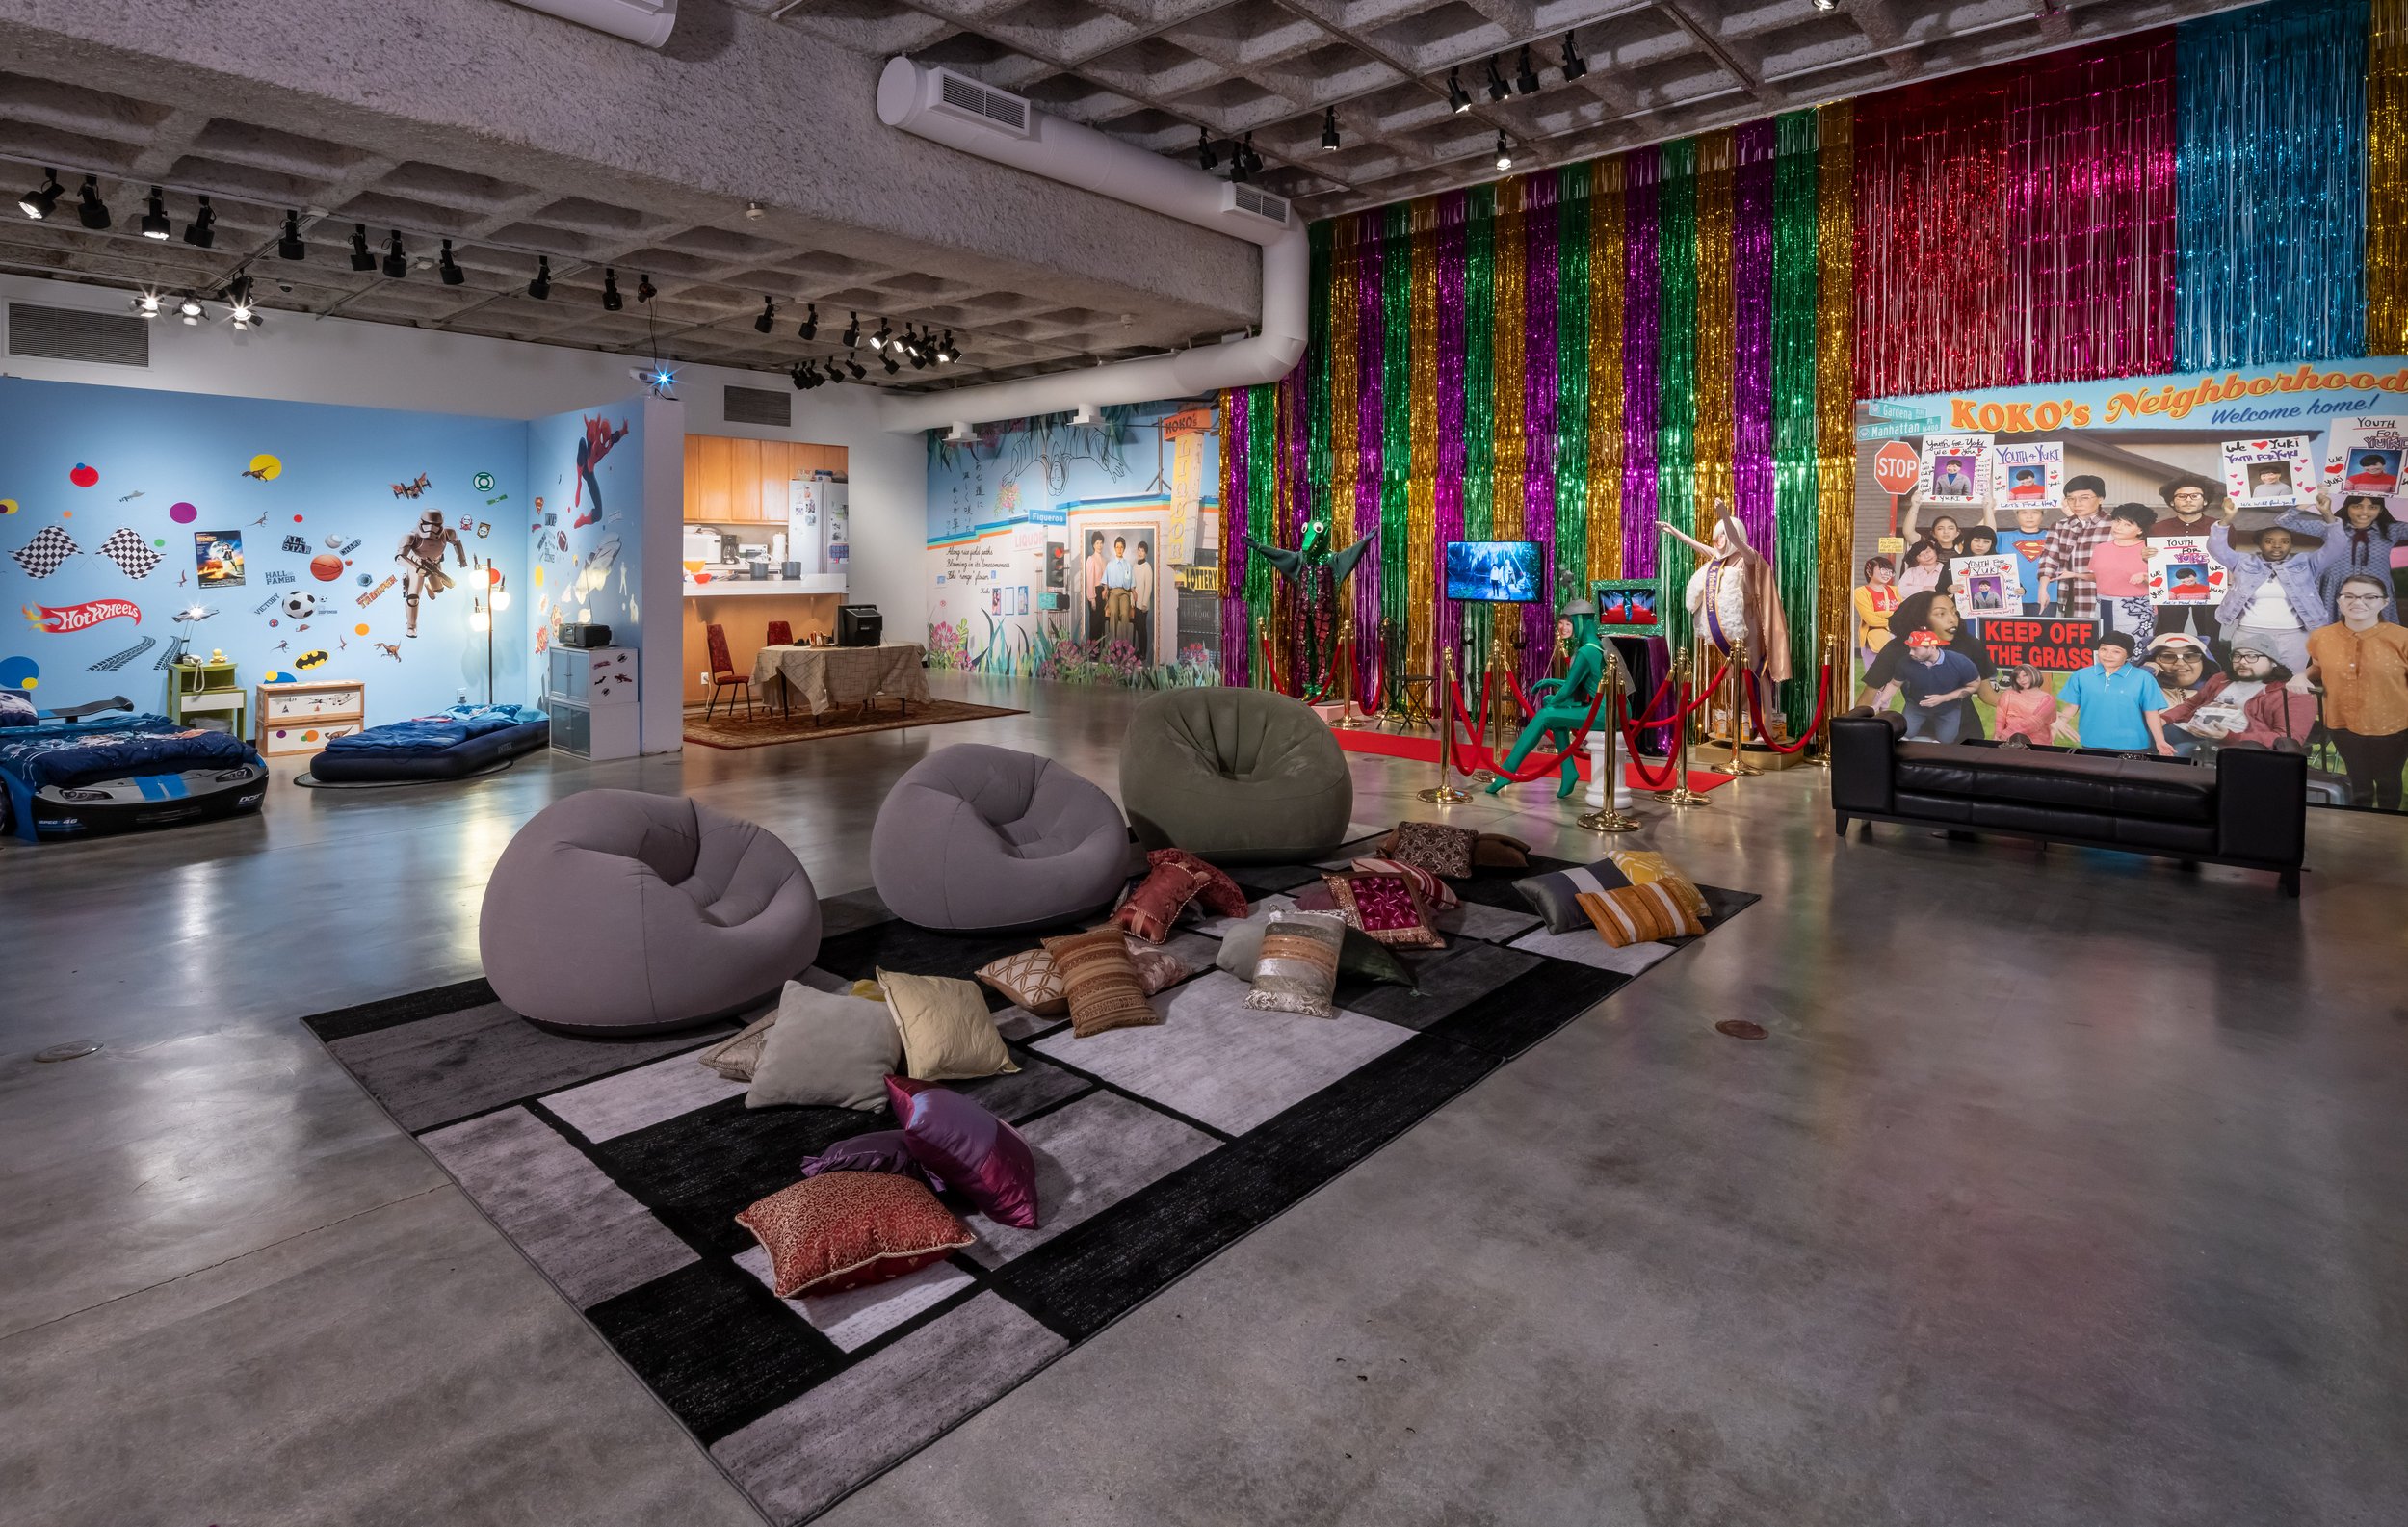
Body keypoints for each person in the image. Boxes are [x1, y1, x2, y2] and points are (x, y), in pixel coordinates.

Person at [1485, 599, 1615, 798]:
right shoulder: (1596, 645)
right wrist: (1550, 682)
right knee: (1550, 706)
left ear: (1581, 621)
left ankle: (1507, 771)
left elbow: (1568, 690)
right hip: (1611, 708)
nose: (1564, 627)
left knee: (1546, 714)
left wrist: (1550, 707)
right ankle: (1568, 771)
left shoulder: (1585, 651)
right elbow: (1582, 682)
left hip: (1605, 712)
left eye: (1569, 622)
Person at [2306, 572, 2408, 809]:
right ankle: (2359, 823)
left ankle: (2387, 824)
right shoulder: (2321, 637)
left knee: (2388, 781)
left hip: (2392, 727)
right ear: (2339, 601)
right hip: (2341, 722)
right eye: (2349, 596)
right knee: (2357, 781)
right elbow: (2319, 667)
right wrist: (2302, 675)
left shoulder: (2402, 638)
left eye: (2369, 597)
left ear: (2385, 602)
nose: (2357, 602)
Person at [2209, 499, 2327, 676]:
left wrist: (2327, 514)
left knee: (2291, 684)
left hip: (2293, 637)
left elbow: (2336, 547)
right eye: (2269, 541)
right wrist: (2227, 518)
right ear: (2260, 544)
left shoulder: (2305, 564)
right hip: (2249, 633)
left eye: (2284, 541)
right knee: (2249, 682)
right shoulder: (2243, 562)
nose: (2277, 546)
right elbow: (2216, 549)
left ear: (2291, 544)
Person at [1861, 589, 1996, 739]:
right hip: (1917, 732)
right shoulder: (1896, 650)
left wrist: (2016, 702)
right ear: (1920, 619)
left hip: (1965, 734)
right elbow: (1868, 698)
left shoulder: (1968, 645)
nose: (1953, 619)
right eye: (1941, 614)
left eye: (1954, 612)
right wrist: (1857, 731)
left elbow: (1987, 694)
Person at [2160, 638, 2316, 755]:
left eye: (2252, 656)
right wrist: (2164, 718)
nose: (2242, 662)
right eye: (2237, 656)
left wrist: (2230, 737)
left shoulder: (2291, 694)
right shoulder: (2221, 679)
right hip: (2190, 729)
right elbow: (2191, 704)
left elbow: (2287, 740)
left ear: (2273, 662)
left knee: (2179, 752)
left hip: (2236, 746)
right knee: (2149, 733)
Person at [2293, 491, 2408, 622]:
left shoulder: (2393, 530)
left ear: (2381, 510)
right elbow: (2283, 521)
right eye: (2357, 506)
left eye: (2373, 507)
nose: (2364, 511)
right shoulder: (2330, 527)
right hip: (2335, 591)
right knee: (2334, 632)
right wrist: (2311, 498)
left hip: (2375, 592)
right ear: (2347, 507)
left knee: (2376, 633)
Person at [2053, 631, 2173, 755]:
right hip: (2091, 742)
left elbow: (2151, 712)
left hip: (2133, 744)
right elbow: (2072, 706)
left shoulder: (2143, 678)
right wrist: (2055, 728)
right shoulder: (2081, 675)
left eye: (2116, 651)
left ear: (2127, 655)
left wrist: (2160, 741)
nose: (2108, 655)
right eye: (2103, 649)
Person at [2035, 473, 2110, 619]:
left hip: (2104, 599)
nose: (2077, 503)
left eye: (2084, 498)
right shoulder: (2060, 526)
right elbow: (2048, 561)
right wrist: (2043, 589)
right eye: (2071, 498)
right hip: (2069, 599)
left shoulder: (2114, 525)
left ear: (2101, 498)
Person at [1894, 629, 1982, 743]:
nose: (1911, 653)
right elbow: (1894, 684)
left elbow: (1974, 685)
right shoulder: (1906, 662)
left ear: (1932, 647)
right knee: (1905, 733)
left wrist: (1942, 698)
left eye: (1915, 649)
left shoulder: (1960, 662)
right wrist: (1880, 702)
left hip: (1949, 708)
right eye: (1910, 648)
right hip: (1916, 705)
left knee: (1946, 740)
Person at [2090, 502, 2157, 645]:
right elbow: (2098, 577)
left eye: (2127, 525)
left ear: (2140, 530)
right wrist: (2074, 575)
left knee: (2137, 648)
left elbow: (2162, 586)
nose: (2118, 527)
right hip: (2103, 605)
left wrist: (2145, 577)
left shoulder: (2150, 550)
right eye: (2117, 521)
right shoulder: (2101, 549)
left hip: (2137, 609)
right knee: (2106, 647)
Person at [395, 507, 465, 638]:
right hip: (416, 565)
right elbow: (399, 558)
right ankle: (411, 626)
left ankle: (429, 587)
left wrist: (462, 558)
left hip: (435, 564)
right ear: (421, 522)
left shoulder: (448, 533)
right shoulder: (411, 537)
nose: (431, 530)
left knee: (439, 589)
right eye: (428, 525)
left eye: (435, 526)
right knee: (413, 598)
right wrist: (417, 569)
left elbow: (457, 543)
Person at [1985, 491, 2053, 616]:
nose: (2029, 516)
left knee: (2043, 629)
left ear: (2042, 515)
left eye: (2035, 512)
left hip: (2046, 595)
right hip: (2010, 597)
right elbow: (1986, 533)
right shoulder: (2003, 537)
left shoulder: (2055, 536)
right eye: (2023, 512)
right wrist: (1989, 510)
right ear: (2016, 516)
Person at [1993, 663, 2058, 745]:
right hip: (2009, 744)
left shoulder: (2048, 699)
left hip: (2036, 744)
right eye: (2018, 677)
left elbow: (2034, 723)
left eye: (2025, 675)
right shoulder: (2008, 694)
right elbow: (2000, 719)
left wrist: (2005, 735)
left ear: (2034, 674)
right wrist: (1998, 735)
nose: (2022, 680)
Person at [1854, 555, 1900, 667]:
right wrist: (1895, 618)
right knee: (1875, 676)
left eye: (1890, 571)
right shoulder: (1861, 592)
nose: (1887, 574)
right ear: (1869, 571)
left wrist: (1880, 614)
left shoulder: (1896, 590)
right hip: (1874, 642)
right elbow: (1871, 620)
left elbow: (1905, 615)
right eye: (1883, 570)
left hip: (1897, 640)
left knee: (1896, 676)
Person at [1130, 538, 1154, 664]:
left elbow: (1148, 586)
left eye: (1143, 551)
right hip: (1135, 603)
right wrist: (1131, 600)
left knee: (1142, 629)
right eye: (1139, 550)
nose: (1140, 553)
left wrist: (1144, 603)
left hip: (1143, 604)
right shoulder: (1134, 566)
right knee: (1138, 628)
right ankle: (1139, 651)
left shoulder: (1147, 567)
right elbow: (1132, 585)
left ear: (1146, 553)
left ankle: (1143, 653)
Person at [1084, 531, 1108, 641]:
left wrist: (1106, 590)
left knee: (1101, 623)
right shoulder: (1091, 559)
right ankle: (1092, 650)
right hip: (1094, 592)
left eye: (1101, 543)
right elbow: (1090, 580)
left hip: (1103, 593)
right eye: (1097, 543)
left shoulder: (1104, 560)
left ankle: (1100, 651)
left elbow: (1106, 578)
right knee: (1095, 624)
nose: (1100, 545)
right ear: (1093, 545)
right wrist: (1092, 599)